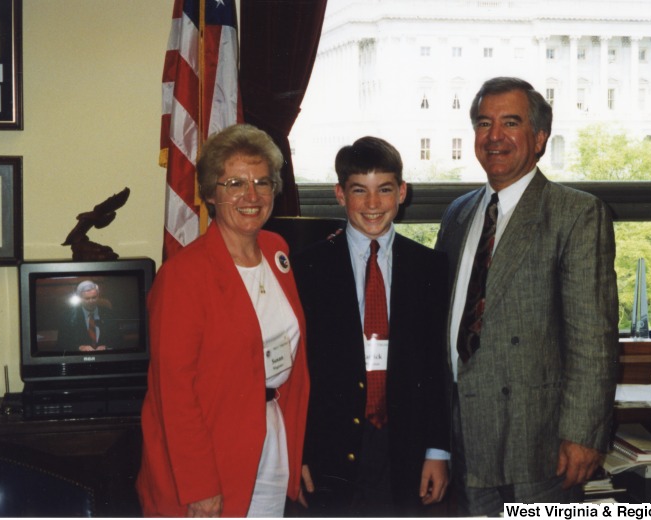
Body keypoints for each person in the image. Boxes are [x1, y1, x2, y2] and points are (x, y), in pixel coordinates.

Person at [435, 77, 619, 513]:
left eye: (510, 123)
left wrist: (583, 434)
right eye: (484, 123)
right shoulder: (458, 213)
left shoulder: (575, 213)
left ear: (539, 139)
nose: (494, 136)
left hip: (537, 445)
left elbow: (593, 337)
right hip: (461, 436)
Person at [135, 124, 310, 517]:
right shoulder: (183, 276)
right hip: (208, 457)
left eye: (262, 182)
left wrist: (294, 448)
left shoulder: (276, 250)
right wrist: (199, 487)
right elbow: (173, 395)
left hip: (269, 443)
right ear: (211, 194)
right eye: (235, 183)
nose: (251, 196)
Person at [293, 136, 450, 516]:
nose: (373, 204)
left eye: (384, 190)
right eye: (359, 191)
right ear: (340, 194)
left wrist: (437, 451)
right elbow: (297, 370)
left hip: (405, 446)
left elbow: (435, 367)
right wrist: (297, 451)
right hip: (328, 447)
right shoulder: (306, 268)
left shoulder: (430, 267)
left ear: (402, 192)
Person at [56, 280, 123, 352]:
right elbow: (61, 343)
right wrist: (79, 347)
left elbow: (119, 340)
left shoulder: (110, 314)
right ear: (80, 298)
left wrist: (107, 347)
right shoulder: (68, 317)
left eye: (94, 297)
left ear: (98, 296)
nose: (91, 301)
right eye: (87, 298)